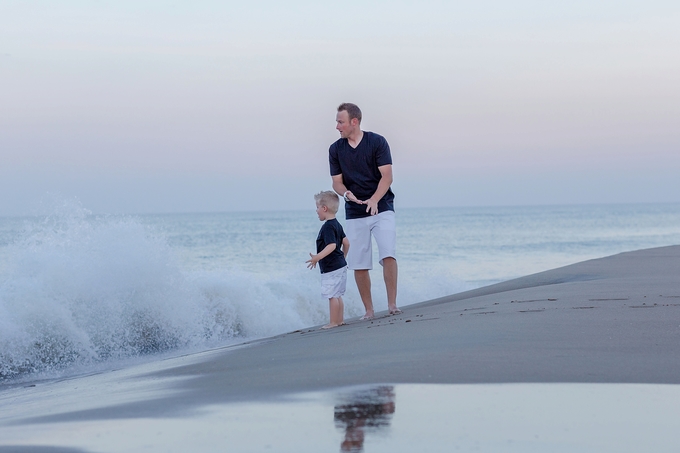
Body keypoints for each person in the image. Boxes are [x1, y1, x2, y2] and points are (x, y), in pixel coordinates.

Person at [329, 102, 401, 320]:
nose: (337, 127)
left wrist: (374, 200)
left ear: (354, 121)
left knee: (388, 252)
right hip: (355, 212)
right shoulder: (335, 149)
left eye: (340, 122)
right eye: (336, 122)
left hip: (382, 207)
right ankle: (369, 311)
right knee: (359, 263)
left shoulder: (377, 142)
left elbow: (387, 177)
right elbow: (337, 183)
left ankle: (392, 305)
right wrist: (346, 193)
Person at [306, 190, 350, 329]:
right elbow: (347, 243)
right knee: (337, 295)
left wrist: (317, 257)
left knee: (331, 295)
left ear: (324, 208)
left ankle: (333, 322)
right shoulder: (337, 224)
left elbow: (332, 245)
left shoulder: (327, 227)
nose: (316, 211)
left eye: (317, 207)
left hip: (332, 267)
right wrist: (343, 257)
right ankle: (340, 320)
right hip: (340, 265)